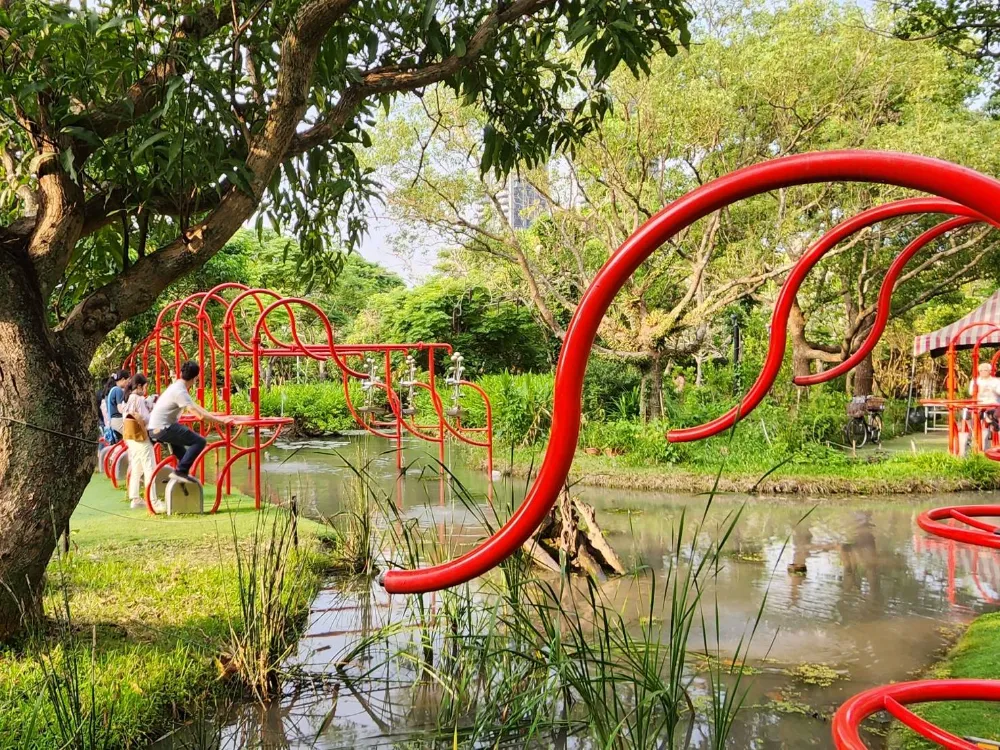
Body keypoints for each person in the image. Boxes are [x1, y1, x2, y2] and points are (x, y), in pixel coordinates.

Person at [147, 361, 232, 483]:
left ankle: (177, 480)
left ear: (181, 373)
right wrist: (222, 421)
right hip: (162, 429)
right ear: (196, 378)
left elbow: (196, 406)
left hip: (155, 428)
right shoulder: (180, 391)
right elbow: (200, 416)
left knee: (183, 456)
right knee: (199, 441)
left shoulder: (176, 387)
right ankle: (179, 472)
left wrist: (212, 415)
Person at [121, 374, 161, 510]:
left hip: (130, 437)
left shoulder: (127, 398)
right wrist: (154, 407)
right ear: (139, 386)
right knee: (150, 467)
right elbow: (146, 418)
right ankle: (153, 501)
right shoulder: (137, 399)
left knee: (137, 467)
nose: (145, 389)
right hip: (140, 437)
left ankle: (135, 498)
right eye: (145, 386)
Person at [104, 370, 131, 440]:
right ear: (122, 379)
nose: (128, 384)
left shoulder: (111, 390)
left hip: (113, 422)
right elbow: (120, 409)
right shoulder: (118, 390)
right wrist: (130, 413)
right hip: (118, 421)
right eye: (127, 381)